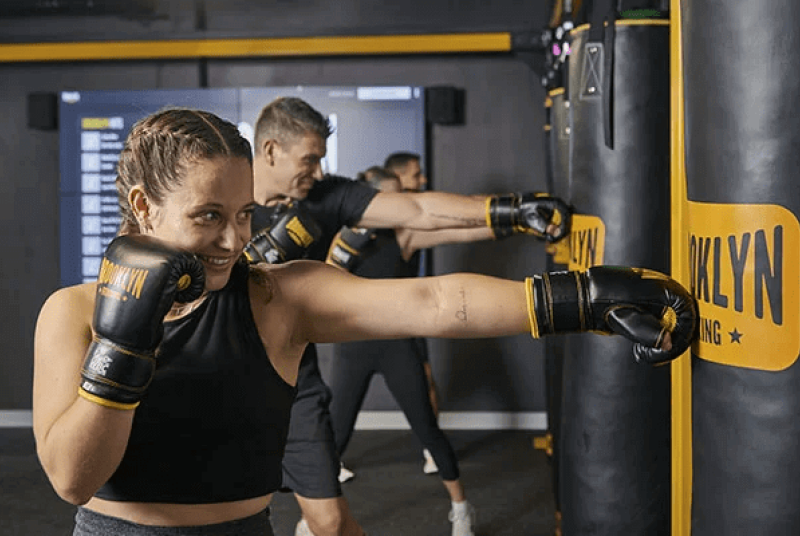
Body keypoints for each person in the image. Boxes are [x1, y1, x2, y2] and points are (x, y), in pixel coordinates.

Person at [32, 106, 696, 536]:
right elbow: (71, 480)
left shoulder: (277, 297)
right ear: (145, 205)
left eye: (244, 216)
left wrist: (581, 299)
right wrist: (123, 344)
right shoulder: (72, 313)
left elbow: (436, 303)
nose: (233, 241)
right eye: (208, 216)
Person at [250, 97, 574, 536]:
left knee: (329, 521)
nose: (319, 172)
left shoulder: (325, 197)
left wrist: (508, 210)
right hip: (220, 375)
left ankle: (457, 507)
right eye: (310, 160)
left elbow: (418, 210)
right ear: (271, 151)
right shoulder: (224, 195)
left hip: (295, 382)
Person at [325, 167, 483, 529]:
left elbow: (457, 228)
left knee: (427, 428)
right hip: (353, 346)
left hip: (395, 344)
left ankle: (461, 507)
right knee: (334, 437)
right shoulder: (342, 237)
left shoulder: (405, 234)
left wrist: (508, 216)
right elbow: (326, 277)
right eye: (393, 196)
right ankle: (311, 516)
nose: (401, 203)